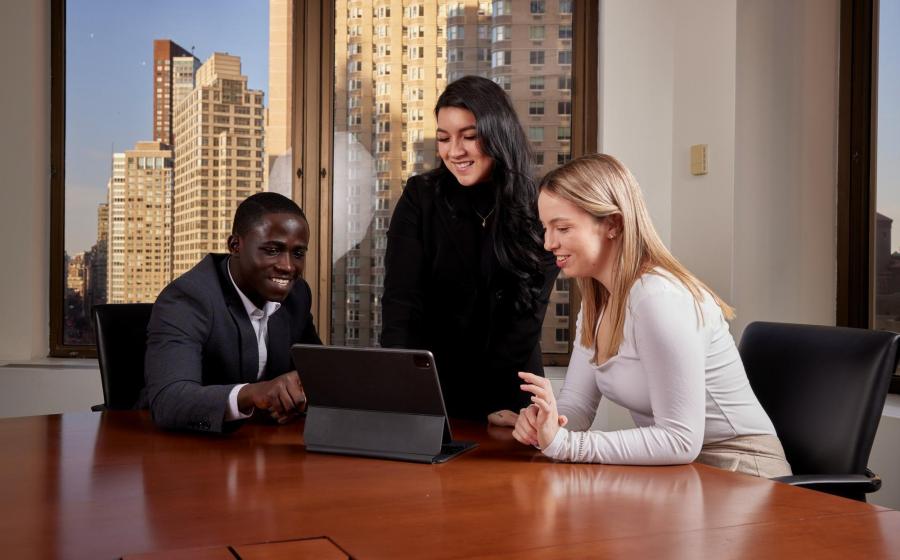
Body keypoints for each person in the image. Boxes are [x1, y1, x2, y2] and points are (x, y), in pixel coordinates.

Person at [513, 154, 791, 478]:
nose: (548, 243)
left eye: (562, 228)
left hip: (742, 472)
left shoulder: (657, 299)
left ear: (612, 224)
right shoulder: (597, 302)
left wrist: (565, 445)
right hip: (684, 474)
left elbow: (679, 439)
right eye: (546, 228)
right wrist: (543, 422)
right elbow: (577, 406)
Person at [381, 75, 558, 424]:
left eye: (470, 136)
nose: (454, 151)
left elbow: (526, 318)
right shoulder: (421, 196)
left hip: (509, 393)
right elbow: (401, 303)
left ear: (498, 133)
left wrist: (487, 402)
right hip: (432, 388)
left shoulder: (538, 205)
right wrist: (401, 386)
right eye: (444, 138)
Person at [140, 192, 321, 432]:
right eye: (272, 250)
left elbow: (317, 373)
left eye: (298, 253)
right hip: (177, 445)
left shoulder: (297, 295)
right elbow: (169, 401)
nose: (288, 266)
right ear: (235, 246)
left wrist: (294, 398)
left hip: (259, 445)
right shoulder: (188, 299)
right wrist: (254, 394)